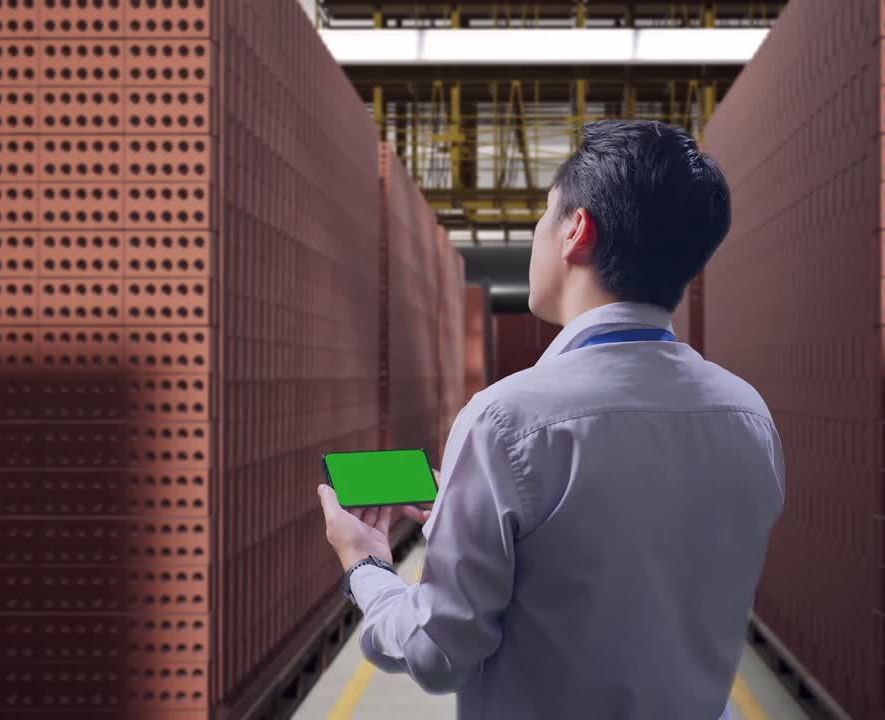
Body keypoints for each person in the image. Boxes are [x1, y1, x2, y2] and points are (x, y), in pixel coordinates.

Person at [317, 119, 785, 719]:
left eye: (543, 215)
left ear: (575, 231)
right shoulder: (748, 416)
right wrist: (464, 517)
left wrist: (366, 565)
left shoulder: (504, 421)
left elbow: (440, 652)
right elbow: (634, 565)